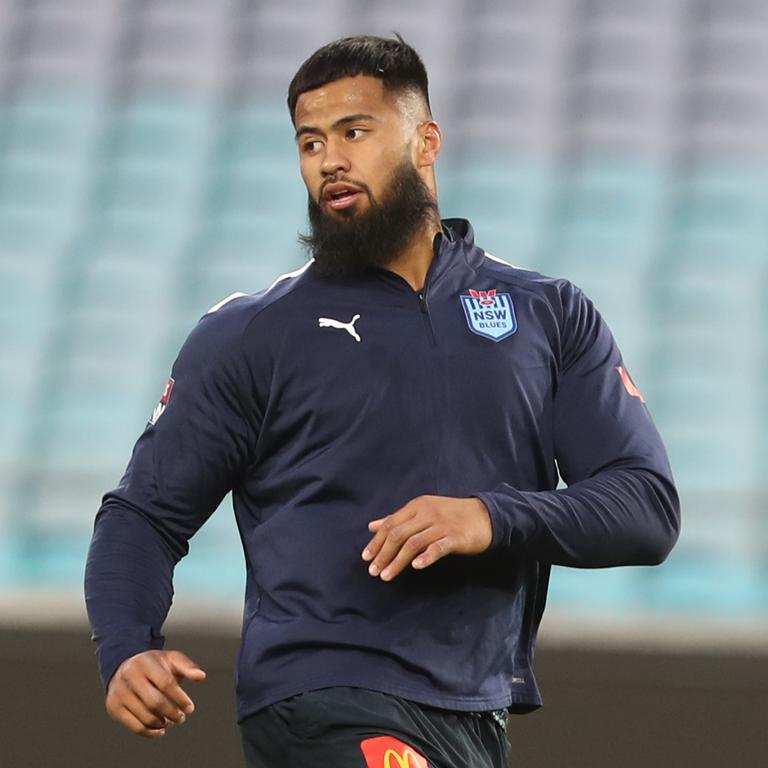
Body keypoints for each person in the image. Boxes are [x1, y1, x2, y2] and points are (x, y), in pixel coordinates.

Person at [84, 34, 680, 768]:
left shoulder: (547, 314)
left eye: (354, 132)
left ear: (426, 142)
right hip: (321, 696)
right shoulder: (251, 334)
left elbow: (646, 508)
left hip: (476, 715)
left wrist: (489, 516)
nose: (328, 160)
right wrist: (126, 646)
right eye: (309, 142)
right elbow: (143, 513)